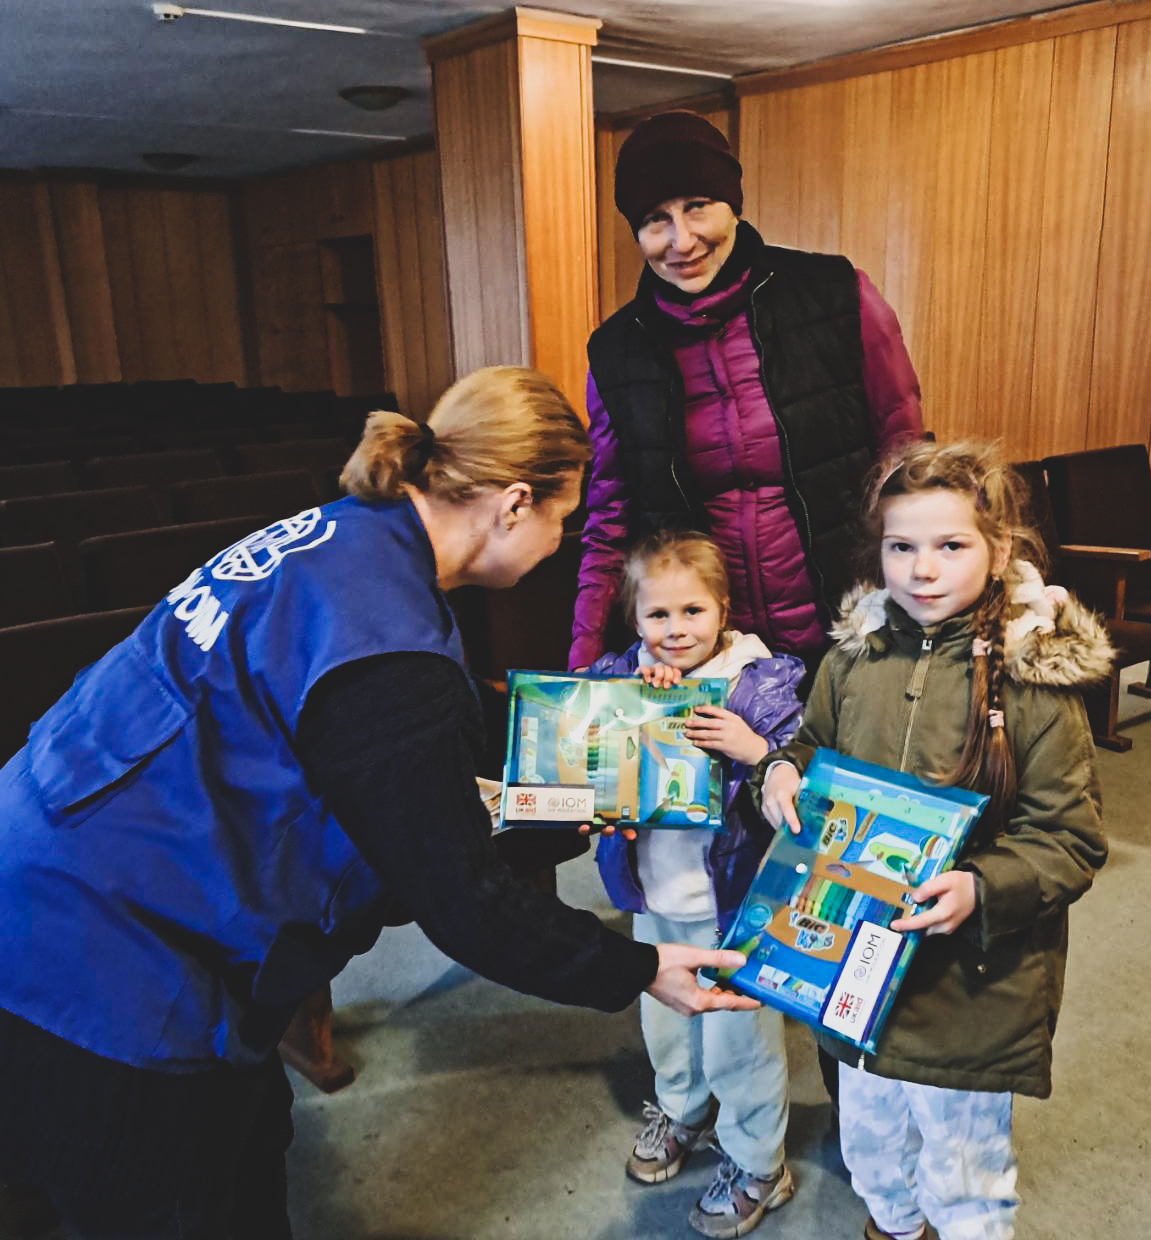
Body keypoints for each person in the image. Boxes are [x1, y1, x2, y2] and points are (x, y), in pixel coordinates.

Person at [0, 366, 758, 1240]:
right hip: (97, 954)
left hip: (63, 852)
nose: (562, 538)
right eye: (562, 516)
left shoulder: (351, 533)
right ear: (514, 503)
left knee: (252, 1138)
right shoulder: (393, 659)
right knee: (181, 1195)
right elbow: (466, 904)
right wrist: (641, 969)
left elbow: (377, 743)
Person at [756, 440, 1112, 1240]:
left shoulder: (1032, 682)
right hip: (857, 963)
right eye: (900, 547)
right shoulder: (855, 657)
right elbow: (812, 744)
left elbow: (1070, 837)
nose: (922, 569)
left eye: (950, 546)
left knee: (964, 1173)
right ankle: (893, 1224)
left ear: (1001, 551)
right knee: (872, 1148)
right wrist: (781, 772)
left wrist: (982, 888)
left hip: (970, 988)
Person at [570, 108, 924, 683]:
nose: (681, 241)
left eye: (697, 207)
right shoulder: (615, 352)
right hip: (711, 662)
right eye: (656, 220)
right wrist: (580, 672)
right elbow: (608, 524)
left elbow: (906, 465)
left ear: (733, 202)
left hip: (852, 631)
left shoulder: (837, 293)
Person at [584, 530, 803, 1238]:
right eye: (657, 616)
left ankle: (759, 1160)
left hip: (736, 902)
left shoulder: (758, 679)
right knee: (666, 1020)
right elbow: (581, 732)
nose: (675, 631)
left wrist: (754, 749)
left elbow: (800, 762)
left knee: (741, 1040)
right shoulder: (624, 673)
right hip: (657, 896)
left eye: (692, 612)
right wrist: (630, 699)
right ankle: (680, 1108)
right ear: (635, 619)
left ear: (724, 610)